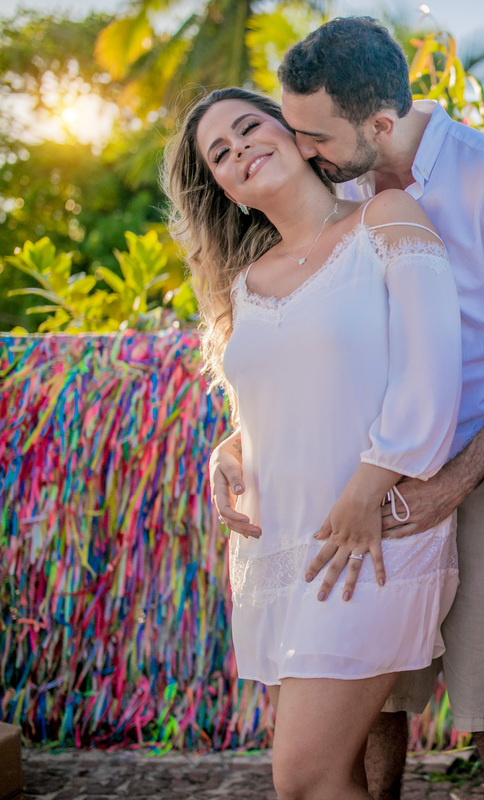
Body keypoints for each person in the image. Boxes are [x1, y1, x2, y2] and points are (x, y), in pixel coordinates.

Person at [208, 16, 484, 800]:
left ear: (379, 122)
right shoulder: (342, 183)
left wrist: (449, 481)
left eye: (313, 135)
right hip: (366, 472)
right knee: (375, 696)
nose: (299, 149)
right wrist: (238, 445)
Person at [165, 87, 463, 800]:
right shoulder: (244, 284)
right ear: (224, 188)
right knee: (324, 774)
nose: (240, 150)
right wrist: (228, 453)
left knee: (304, 777)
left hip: (369, 534)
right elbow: (269, 405)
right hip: (279, 551)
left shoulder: (386, 218)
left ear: (299, 136)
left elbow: (432, 367)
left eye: (249, 129)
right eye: (221, 153)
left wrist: (368, 489)